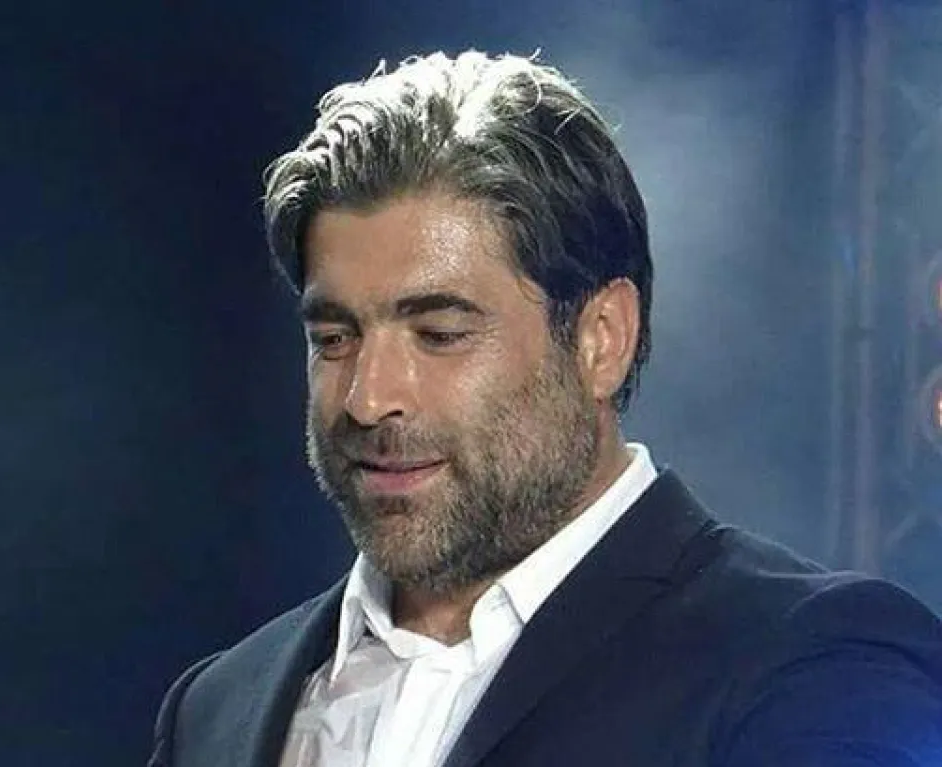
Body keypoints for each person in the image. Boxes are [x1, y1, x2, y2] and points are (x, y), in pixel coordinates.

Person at [147, 51, 942, 767]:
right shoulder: (217, 708)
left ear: (602, 338)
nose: (369, 396)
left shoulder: (814, 661)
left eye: (440, 333)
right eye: (334, 337)